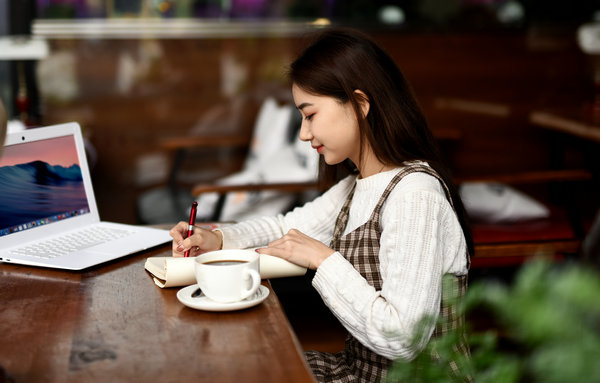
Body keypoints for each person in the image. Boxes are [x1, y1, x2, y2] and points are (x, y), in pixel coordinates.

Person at [170, 28, 473, 382]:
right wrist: (218, 239)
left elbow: (403, 338)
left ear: (360, 104)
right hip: (362, 373)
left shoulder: (415, 195)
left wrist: (322, 259)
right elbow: (286, 229)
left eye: (310, 114)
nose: (303, 133)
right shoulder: (355, 187)